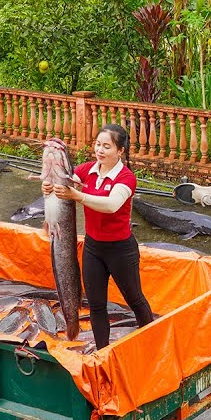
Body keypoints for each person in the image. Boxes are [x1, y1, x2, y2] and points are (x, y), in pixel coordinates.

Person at [43, 124, 154, 348]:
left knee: (135, 299)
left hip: (120, 251)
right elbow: (61, 185)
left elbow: (111, 205)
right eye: (97, 145)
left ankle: (152, 342)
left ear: (120, 151)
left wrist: (78, 195)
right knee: (96, 305)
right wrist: (47, 186)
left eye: (107, 146)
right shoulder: (85, 171)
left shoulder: (126, 178)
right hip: (94, 249)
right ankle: (102, 352)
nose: (100, 150)